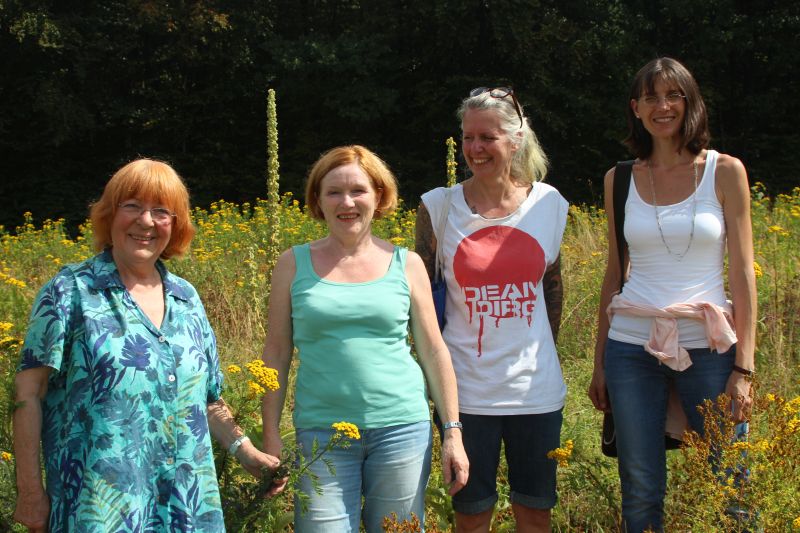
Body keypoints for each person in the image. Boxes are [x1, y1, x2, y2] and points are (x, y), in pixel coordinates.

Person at [13, 159, 280, 533]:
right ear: (109, 215)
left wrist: (245, 451)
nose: (146, 221)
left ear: (176, 224)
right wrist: (29, 493)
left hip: (186, 507)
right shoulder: (69, 291)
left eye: (161, 211)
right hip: (100, 512)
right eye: (132, 206)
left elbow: (208, 399)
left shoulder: (187, 298)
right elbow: (29, 392)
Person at [587, 57, 756, 532]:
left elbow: (743, 274)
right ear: (635, 109)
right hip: (631, 349)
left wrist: (744, 368)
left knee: (730, 483)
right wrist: (600, 361)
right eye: (651, 97)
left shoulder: (725, 172)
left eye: (672, 95)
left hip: (710, 348)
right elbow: (614, 275)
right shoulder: (619, 179)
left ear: (689, 102)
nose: (662, 106)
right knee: (640, 486)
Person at [261, 145, 469, 532]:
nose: (347, 202)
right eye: (333, 192)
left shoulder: (407, 263)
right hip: (321, 433)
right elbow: (276, 352)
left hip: (401, 428)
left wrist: (452, 433)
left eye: (358, 190)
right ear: (318, 202)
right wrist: (271, 434)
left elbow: (433, 350)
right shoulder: (292, 263)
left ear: (379, 196)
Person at [416, 87, 569, 533]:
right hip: (467, 393)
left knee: (536, 511)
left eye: (488, 137)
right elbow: (421, 303)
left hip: (536, 393)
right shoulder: (439, 207)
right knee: (471, 512)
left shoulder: (550, 205)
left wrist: (538, 352)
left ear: (516, 139)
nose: (475, 149)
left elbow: (552, 287)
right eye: (468, 137)